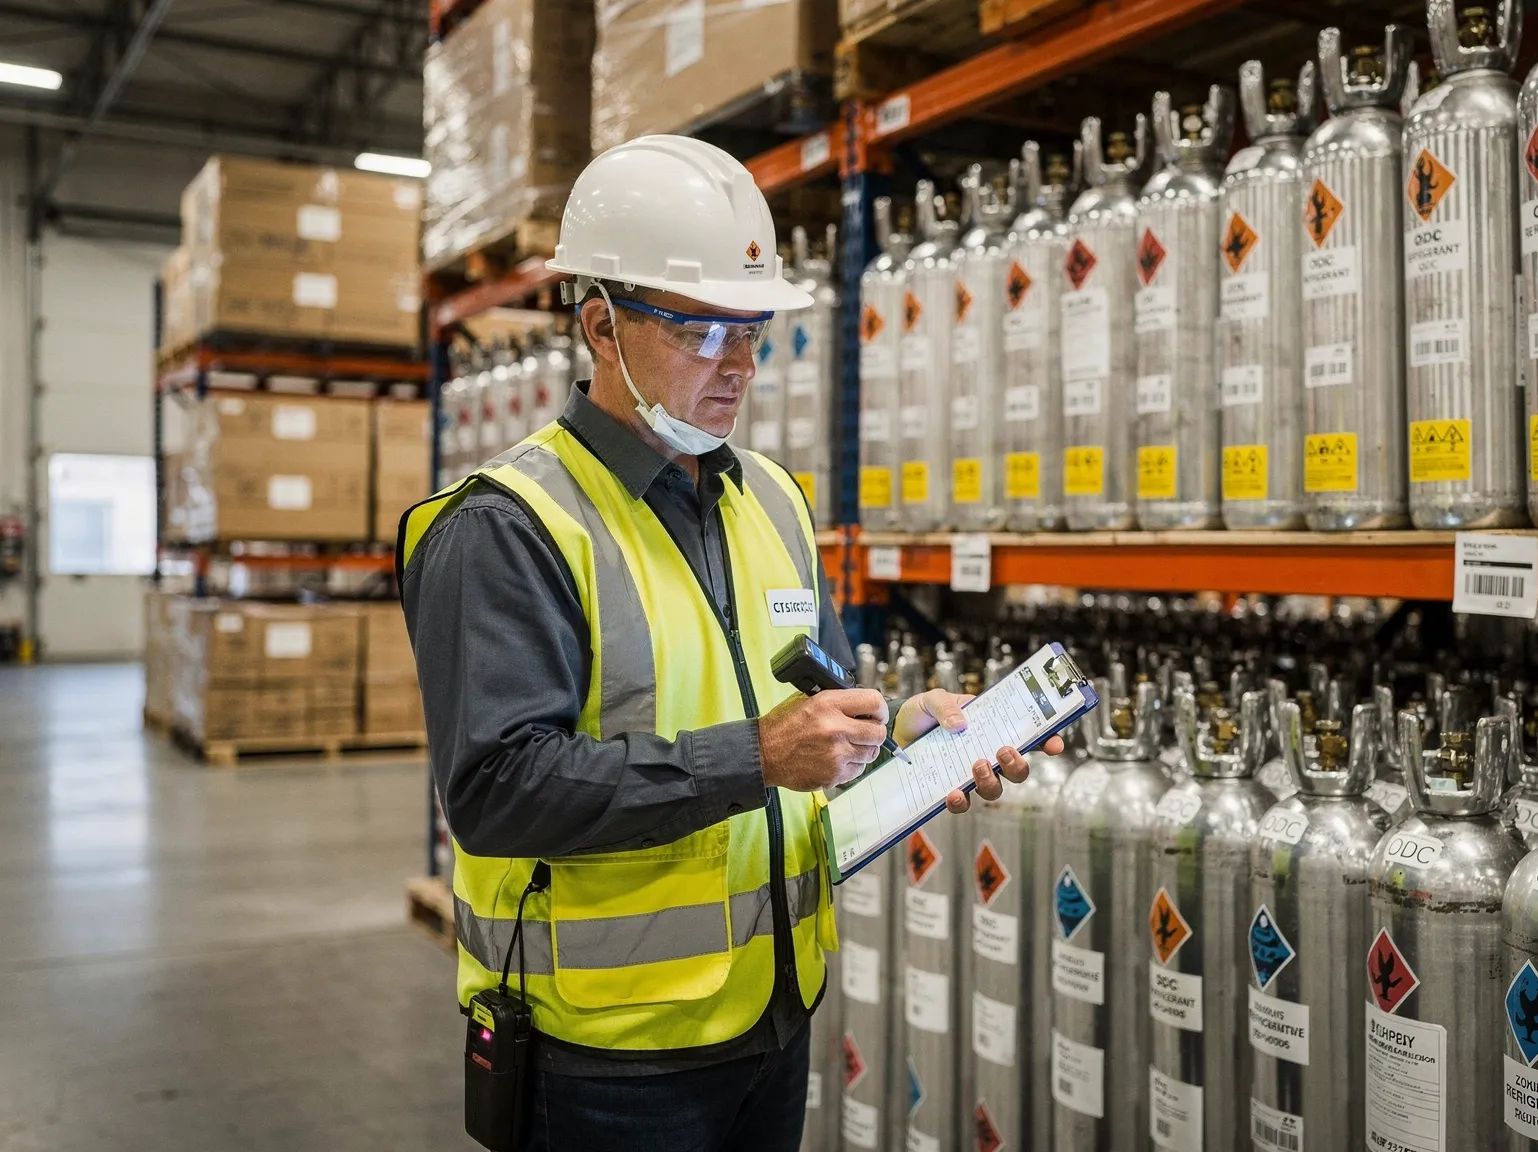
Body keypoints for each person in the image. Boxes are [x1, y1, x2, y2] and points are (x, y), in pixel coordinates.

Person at [398, 134, 1055, 1152]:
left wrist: (900, 733)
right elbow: (496, 792)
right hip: (604, 1059)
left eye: (754, 330)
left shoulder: (775, 504)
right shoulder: (507, 527)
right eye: (704, 330)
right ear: (601, 327)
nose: (741, 364)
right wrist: (755, 756)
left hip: (770, 1019)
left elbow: (808, 705)